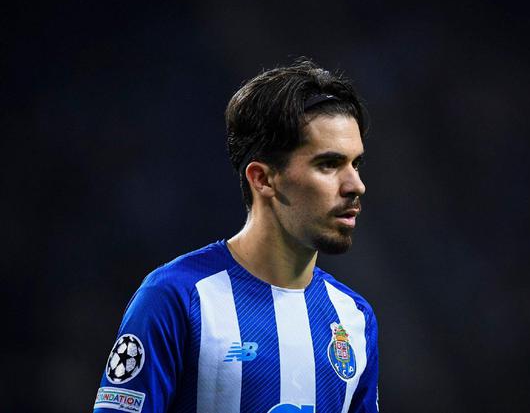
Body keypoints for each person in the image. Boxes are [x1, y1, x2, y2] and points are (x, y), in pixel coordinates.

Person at [92, 59, 379, 413]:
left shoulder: (354, 318)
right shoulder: (176, 298)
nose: (356, 185)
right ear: (262, 178)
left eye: (355, 164)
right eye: (329, 164)